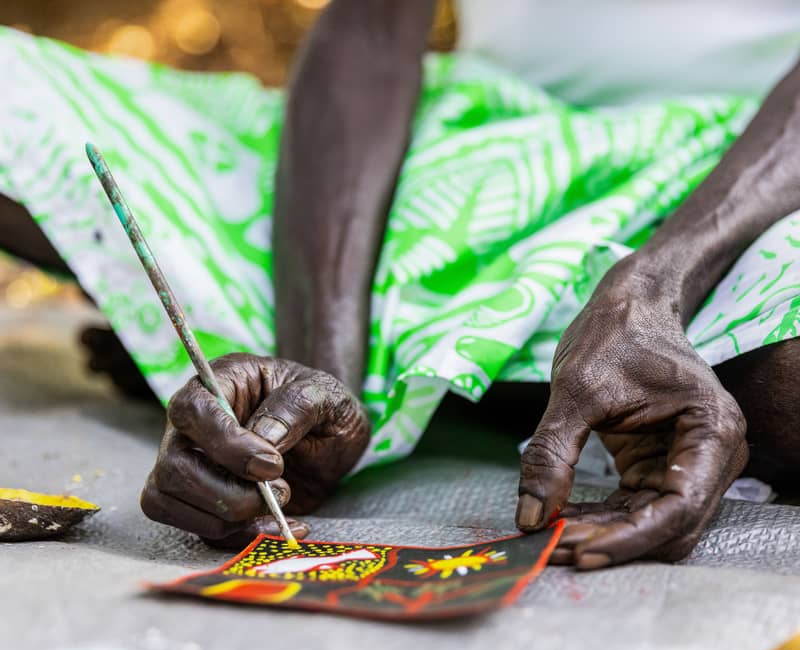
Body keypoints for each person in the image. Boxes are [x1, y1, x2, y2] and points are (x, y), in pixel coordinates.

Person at [1, 1, 799, 569]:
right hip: (475, 160)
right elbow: (369, 31)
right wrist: (320, 372)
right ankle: (454, 382)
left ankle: (483, 373)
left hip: (755, 181)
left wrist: (650, 287)